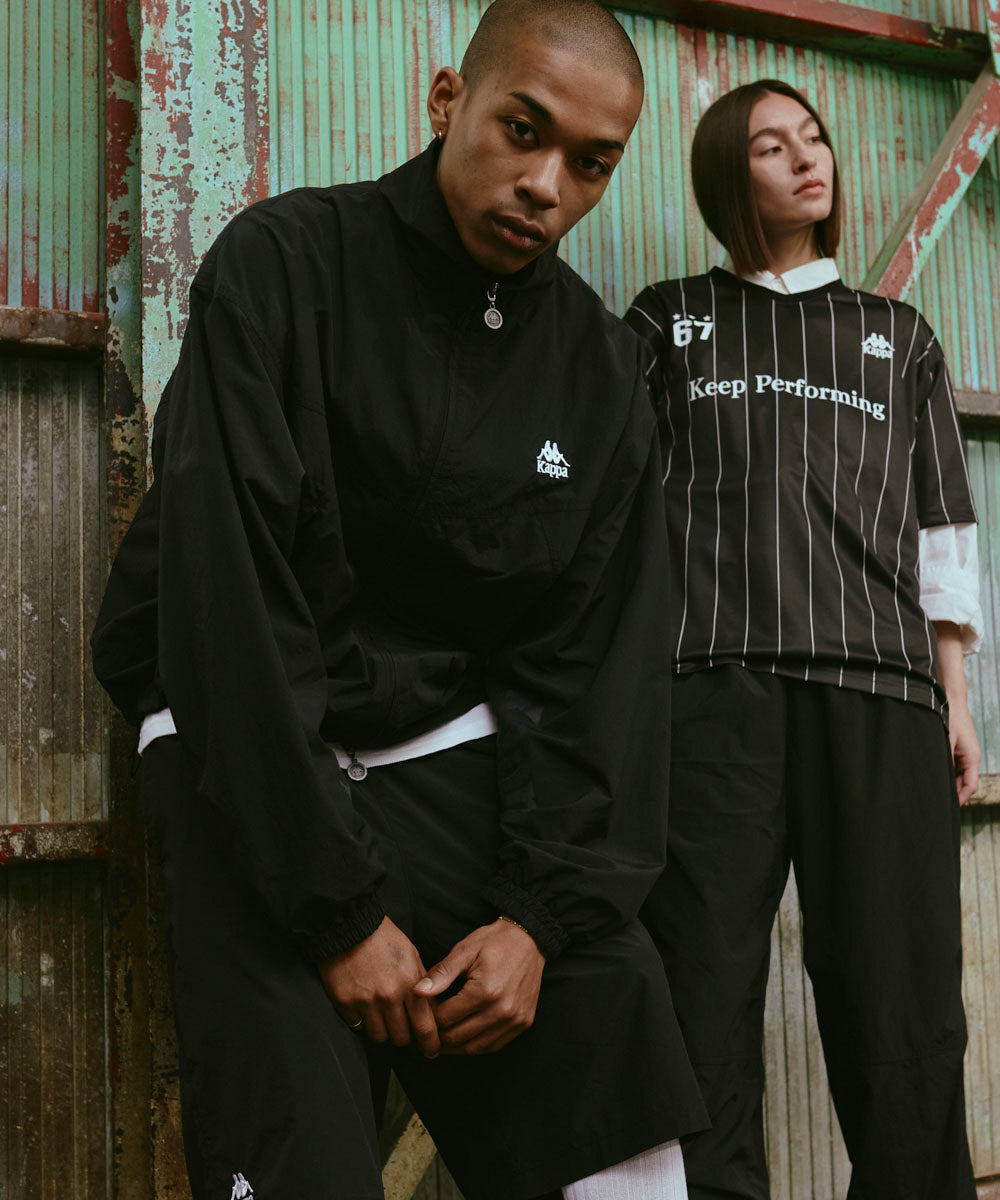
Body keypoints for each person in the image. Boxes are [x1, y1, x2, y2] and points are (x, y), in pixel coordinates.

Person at [91, 3, 709, 1198]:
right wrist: (336, 913)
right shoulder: (282, 265)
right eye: (521, 129)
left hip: (446, 752)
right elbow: (224, 601)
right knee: (295, 1134)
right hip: (243, 751)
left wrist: (537, 918)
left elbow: (600, 667)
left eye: (589, 164)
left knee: (610, 1038)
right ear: (446, 100)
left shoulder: (599, 370)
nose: (544, 186)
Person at [626, 79, 982, 1200]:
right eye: (770, 147)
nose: (805, 159)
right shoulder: (665, 322)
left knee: (901, 1004)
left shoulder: (898, 338)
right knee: (701, 993)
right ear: (726, 177)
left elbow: (942, 531)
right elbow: (611, 512)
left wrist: (957, 698)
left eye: (813, 139)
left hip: (880, 692)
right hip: (708, 694)